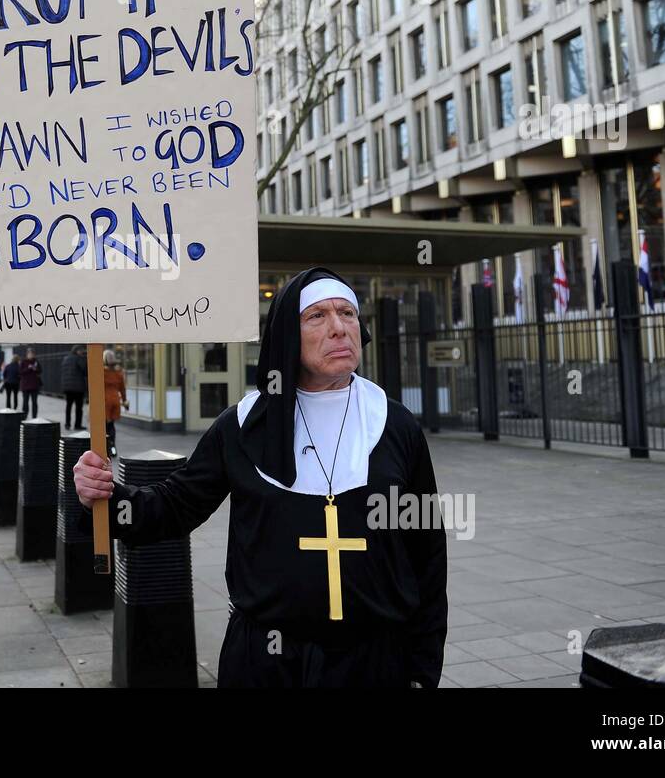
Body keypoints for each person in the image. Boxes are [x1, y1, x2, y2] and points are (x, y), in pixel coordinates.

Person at [74, 268, 448, 688]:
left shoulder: (395, 423)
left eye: (347, 313)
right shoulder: (243, 426)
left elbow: (428, 552)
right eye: (317, 316)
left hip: (375, 661)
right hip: (267, 661)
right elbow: (174, 506)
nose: (340, 328)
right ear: (288, 333)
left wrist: (422, 666)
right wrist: (104, 496)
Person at [102, 348, 127, 456]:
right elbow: (122, 388)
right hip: (115, 401)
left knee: (104, 427)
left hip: (104, 401)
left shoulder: (102, 372)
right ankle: (113, 448)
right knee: (111, 425)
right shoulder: (118, 372)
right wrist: (124, 400)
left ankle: (106, 448)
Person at [61, 345, 88, 430]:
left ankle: (67, 424)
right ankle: (77, 425)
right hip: (78, 387)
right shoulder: (79, 358)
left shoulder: (66, 359)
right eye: (81, 351)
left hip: (68, 387)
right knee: (79, 407)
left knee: (68, 406)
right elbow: (85, 370)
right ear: (77, 351)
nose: (82, 352)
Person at [18, 348, 42, 418]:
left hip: (34, 385)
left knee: (34, 402)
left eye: (32, 354)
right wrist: (28, 368)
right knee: (25, 402)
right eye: (29, 353)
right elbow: (20, 372)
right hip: (25, 385)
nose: (31, 355)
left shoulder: (36, 362)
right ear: (27, 354)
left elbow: (40, 371)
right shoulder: (23, 361)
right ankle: (24, 416)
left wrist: (35, 369)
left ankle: (34, 417)